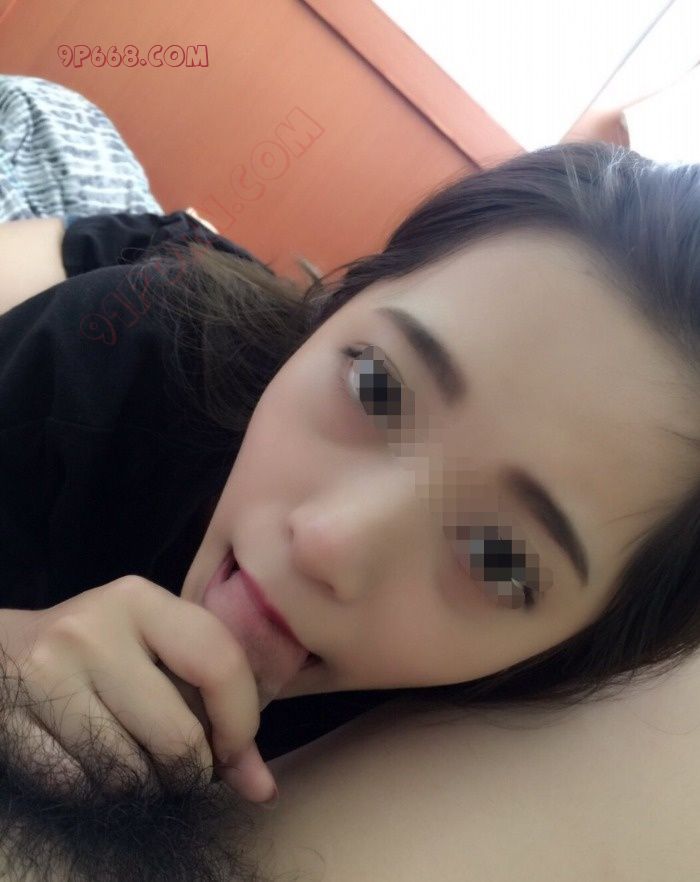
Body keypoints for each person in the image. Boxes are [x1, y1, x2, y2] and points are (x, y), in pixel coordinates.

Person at [0, 140, 699, 881]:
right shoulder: (112, 363)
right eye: (377, 388)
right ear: (339, 307)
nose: (327, 543)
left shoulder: (484, 741)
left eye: (496, 554)